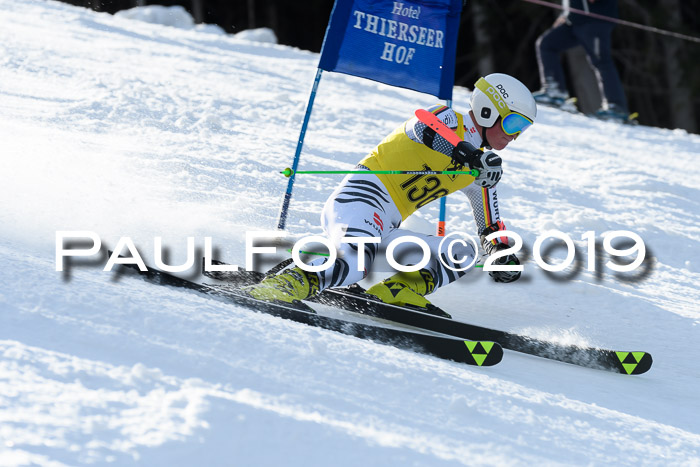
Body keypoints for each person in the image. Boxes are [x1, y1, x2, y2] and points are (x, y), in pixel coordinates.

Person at [246, 73, 536, 311]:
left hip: (387, 227)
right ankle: (286, 284)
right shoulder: (448, 119)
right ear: (488, 111)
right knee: (356, 265)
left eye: (523, 128)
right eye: (514, 122)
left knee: (462, 251)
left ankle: (395, 291)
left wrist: (501, 252)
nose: (515, 134)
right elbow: (424, 125)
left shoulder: (483, 170)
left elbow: (490, 227)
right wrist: (469, 155)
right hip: (360, 201)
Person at [533, 0, 630, 122]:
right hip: (575, 20)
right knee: (547, 44)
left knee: (601, 61)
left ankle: (616, 108)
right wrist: (566, 13)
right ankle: (555, 92)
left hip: (595, 20)